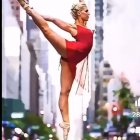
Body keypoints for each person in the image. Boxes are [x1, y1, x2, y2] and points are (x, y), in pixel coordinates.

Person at [17, 0, 94, 139]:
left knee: (65, 92)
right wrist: (37, 15)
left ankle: (65, 124)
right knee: (46, 29)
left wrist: (82, 1)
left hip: (72, 60)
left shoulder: (85, 27)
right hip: (70, 50)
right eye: (86, 11)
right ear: (79, 13)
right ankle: (26, 7)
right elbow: (53, 19)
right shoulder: (74, 27)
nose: (89, 13)